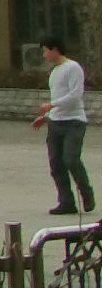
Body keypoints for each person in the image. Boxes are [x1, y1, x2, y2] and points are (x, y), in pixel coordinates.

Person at [31, 35, 95, 216]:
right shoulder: (54, 72)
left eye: (45, 51)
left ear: (54, 49)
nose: (44, 55)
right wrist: (47, 116)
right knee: (56, 164)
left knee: (71, 158)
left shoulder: (72, 68)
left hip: (74, 122)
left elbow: (75, 95)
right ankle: (66, 201)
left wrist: (51, 105)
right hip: (55, 123)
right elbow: (56, 99)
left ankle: (86, 192)